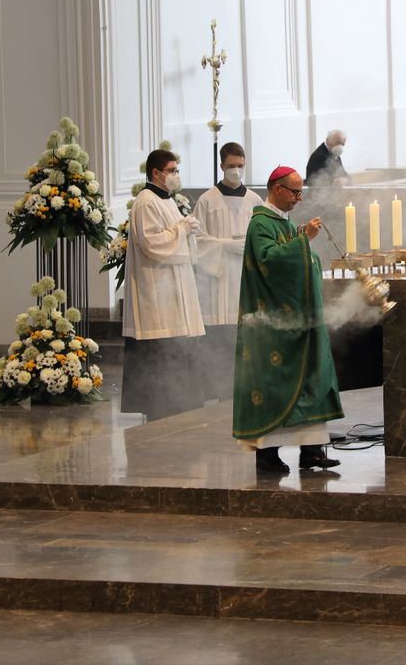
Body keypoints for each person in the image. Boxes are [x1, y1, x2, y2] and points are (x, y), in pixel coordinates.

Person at [232, 165, 343, 474]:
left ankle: (311, 451)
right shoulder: (260, 224)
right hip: (272, 325)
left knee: (312, 378)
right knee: (276, 385)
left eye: (301, 192)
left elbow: (295, 255)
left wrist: (301, 239)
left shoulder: (282, 220)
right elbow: (269, 260)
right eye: (295, 192)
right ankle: (267, 455)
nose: (299, 197)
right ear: (276, 189)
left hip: (298, 320)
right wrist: (302, 240)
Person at [121, 148, 206, 420]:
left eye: (177, 170)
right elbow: (151, 243)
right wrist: (182, 230)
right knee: (162, 352)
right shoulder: (146, 201)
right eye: (172, 170)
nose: (176, 175)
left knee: (179, 350)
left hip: (175, 286)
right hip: (157, 292)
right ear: (156, 173)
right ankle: (161, 406)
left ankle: (179, 405)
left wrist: (187, 229)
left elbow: (175, 239)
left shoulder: (166, 200)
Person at [192, 142, 261, 400]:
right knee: (220, 339)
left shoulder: (255, 200)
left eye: (240, 166)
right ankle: (219, 391)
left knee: (244, 335)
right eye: (231, 166)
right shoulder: (208, 200)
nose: (236, 170)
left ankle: (245, 390)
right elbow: (197, 240)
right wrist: (226, 246)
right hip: (218, 279)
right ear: (221, 166)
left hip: (245, 276)